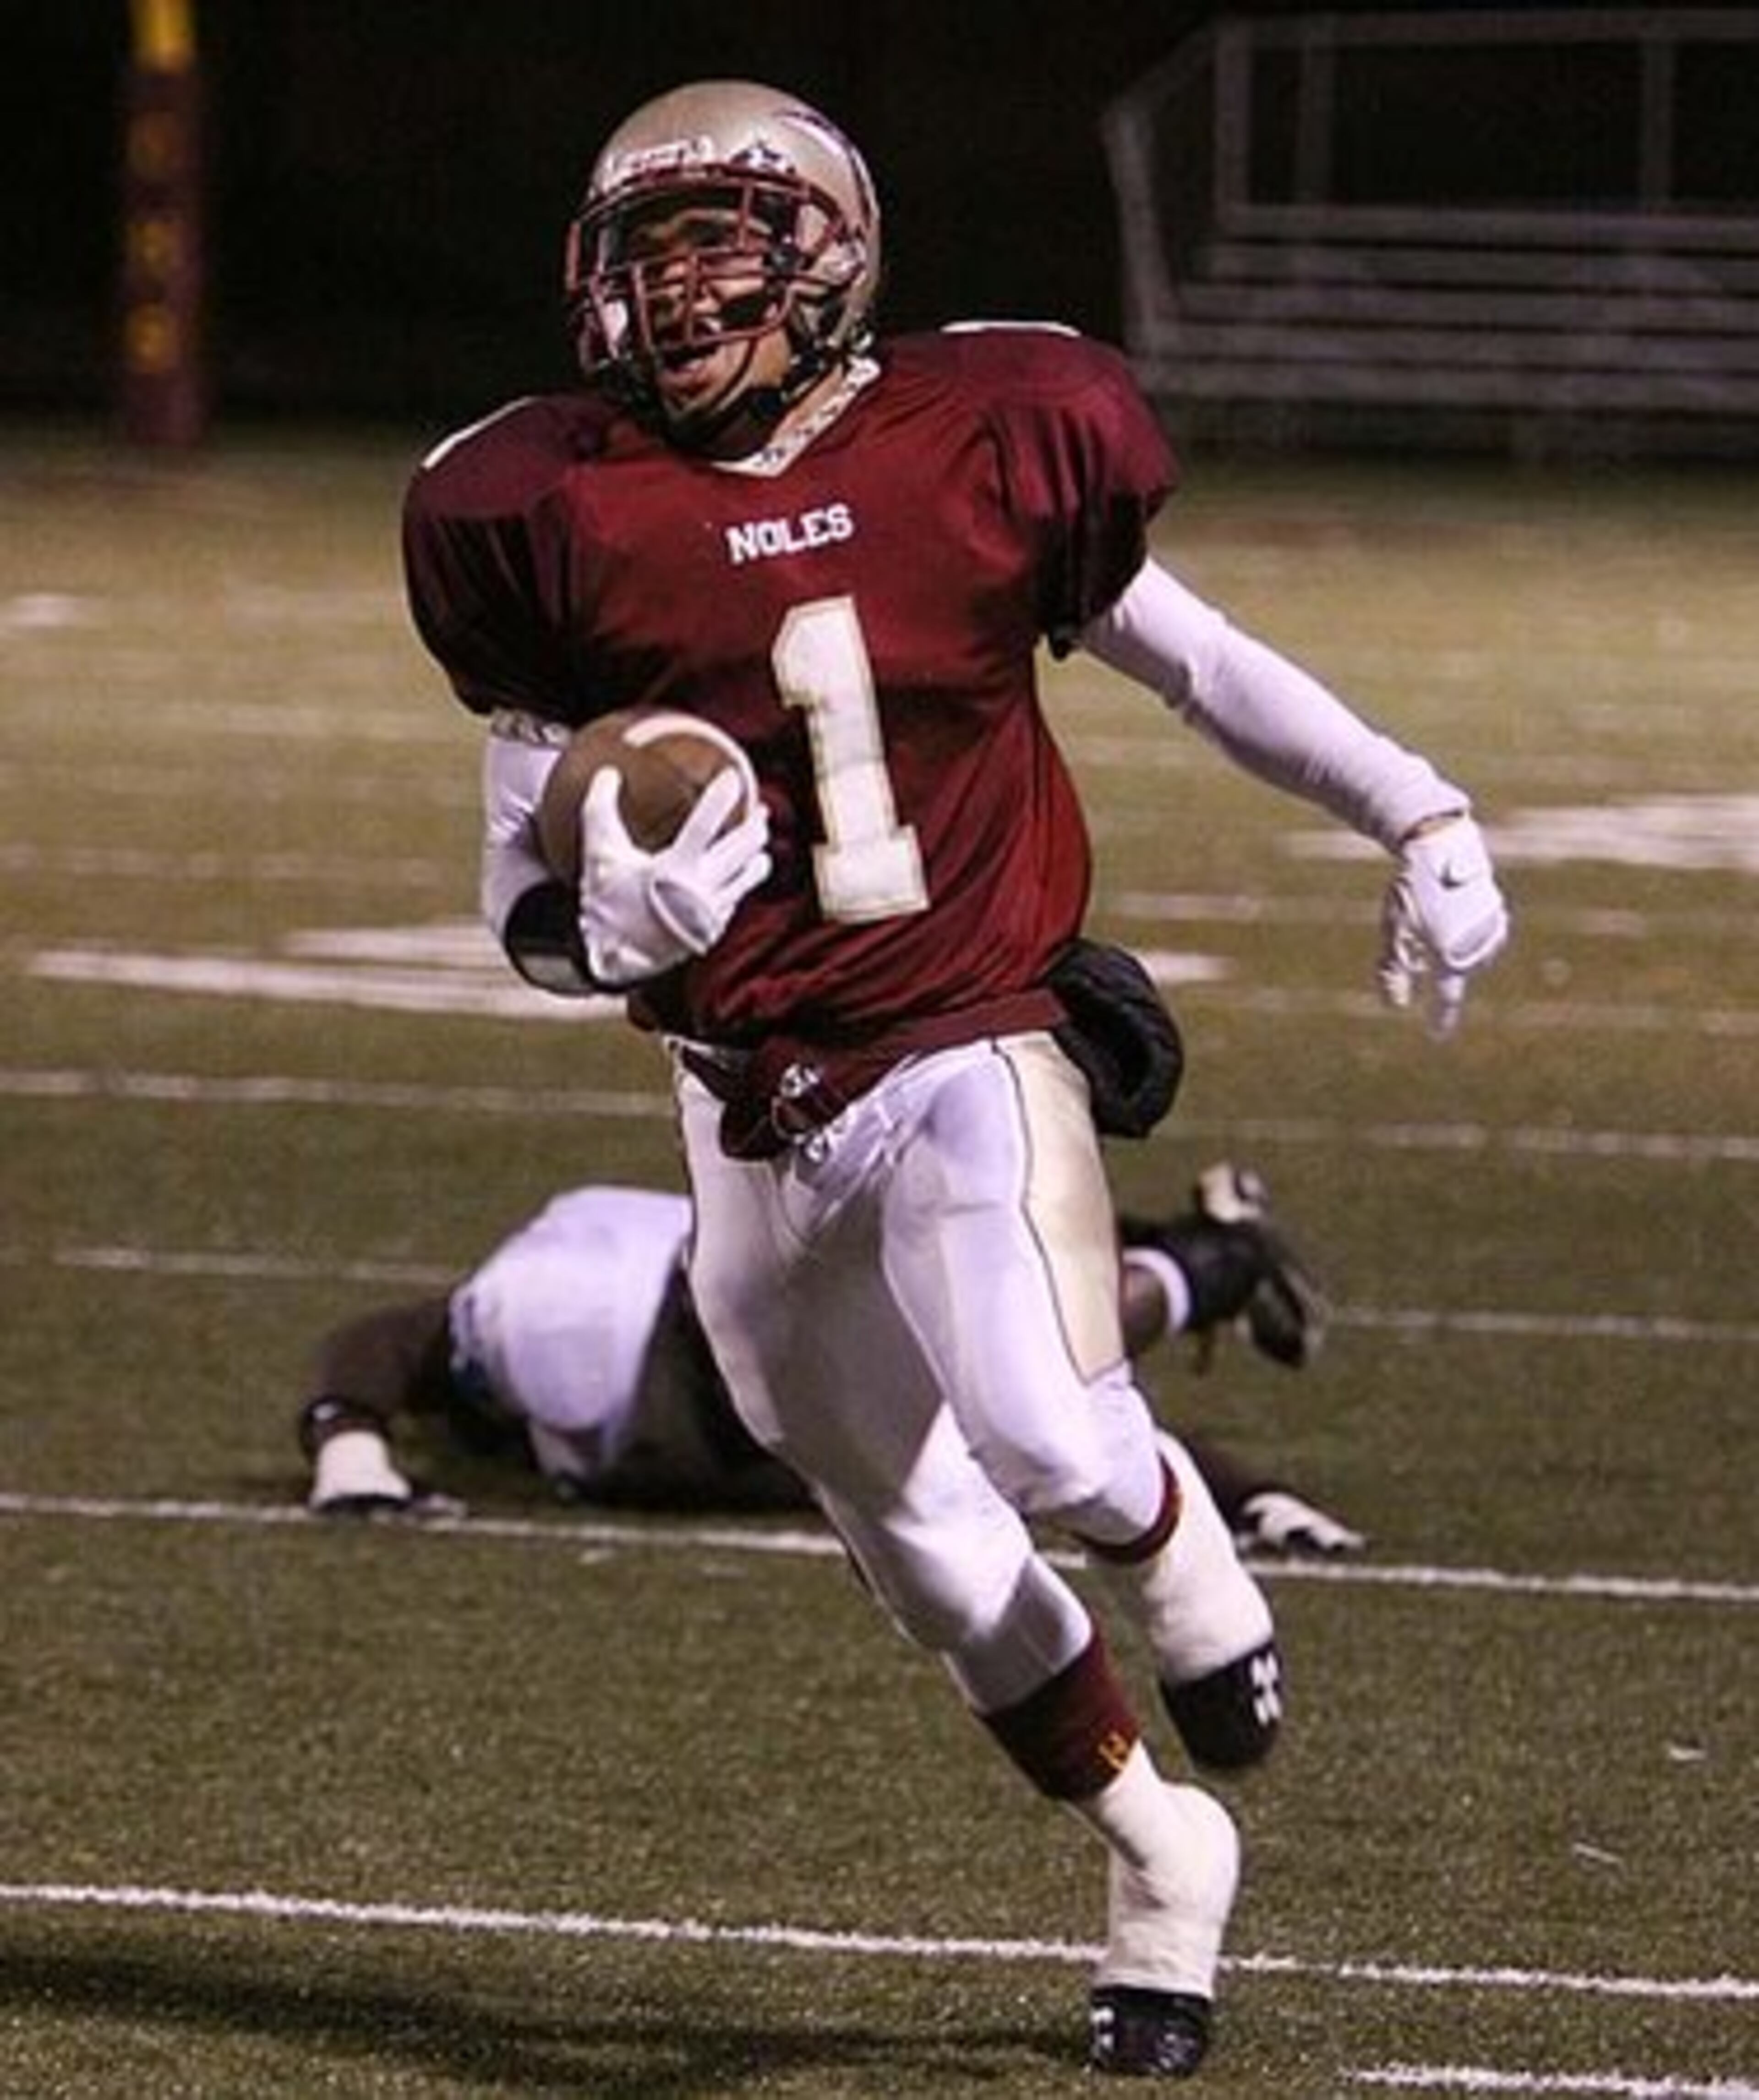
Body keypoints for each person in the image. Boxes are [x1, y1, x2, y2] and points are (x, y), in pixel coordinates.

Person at [399, 80, 1507, 2078]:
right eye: (649, 266)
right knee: (913, 1540)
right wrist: (608, 939)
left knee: (1054, 1437)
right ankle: (1163, 1847)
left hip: (965, 1029)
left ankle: (1184, 1562)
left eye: (722, 252)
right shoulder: (541, 513)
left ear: (828, 258)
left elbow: (1203, 662)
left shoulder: (989, 435)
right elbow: (522, 895)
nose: (680, 303)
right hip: (741, 1101)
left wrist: (1414, 808)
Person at [299, 1159, 1360, 1557]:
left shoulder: (531, 1319)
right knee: (996, 1332)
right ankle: (1201, 1253)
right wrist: (350, 1449)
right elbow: (386, 1344)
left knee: (1008, 1324)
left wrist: (1259, 1499)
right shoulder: (549, 1327)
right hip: (704, 1311)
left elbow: (1093, 1444)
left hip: (753, 1273)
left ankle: (1206, 1260)